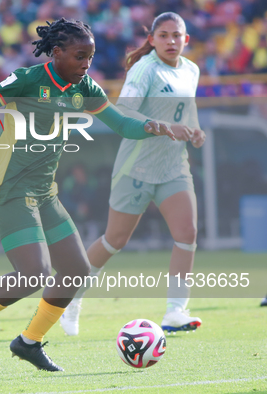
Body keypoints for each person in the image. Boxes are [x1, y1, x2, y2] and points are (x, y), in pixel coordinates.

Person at [0, 18, 180, 371]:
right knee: (35, 273)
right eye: (79, 56)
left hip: (45, 192)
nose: (86, 64)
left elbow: (122, 124)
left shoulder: (86, 88)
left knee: (76, 270)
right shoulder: (28, 81)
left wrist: (152, 126)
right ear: (57, 52)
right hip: (10, 189)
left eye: (90, 57)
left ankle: (29, 342)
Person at [59, 12, 206, 337]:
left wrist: (194, 131)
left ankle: (175, 312)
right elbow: (124, 110)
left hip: (173, 167)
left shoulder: (191, 70)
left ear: (186, 40)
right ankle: (71, 297)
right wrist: (169, 128)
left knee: (187, 233)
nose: (171, 41)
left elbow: (188, 111)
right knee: (115, 240)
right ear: (151, 39)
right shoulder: (145, 69)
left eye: (176, 36)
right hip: (136, 166)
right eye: (164, 35)